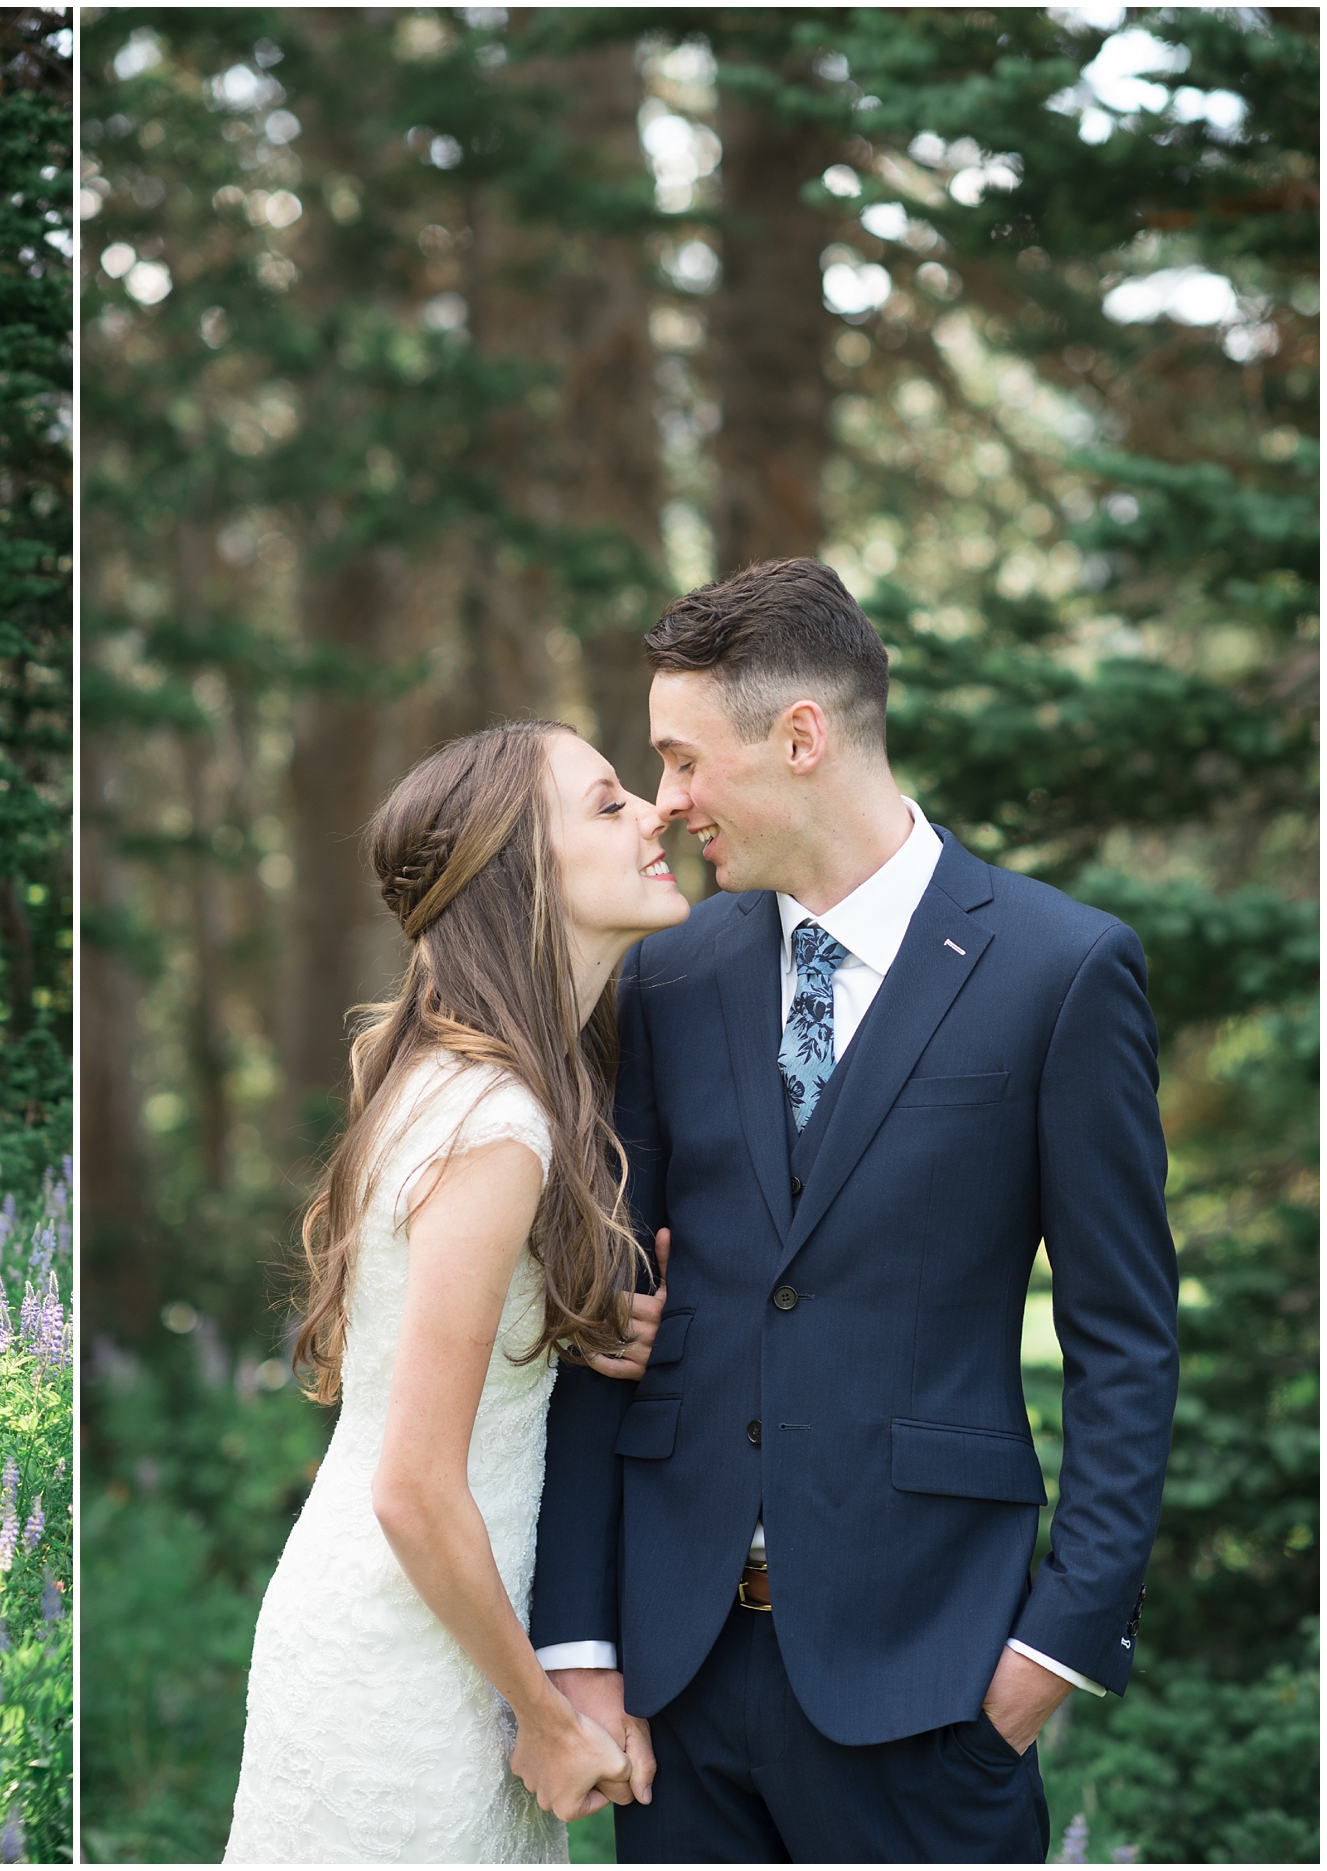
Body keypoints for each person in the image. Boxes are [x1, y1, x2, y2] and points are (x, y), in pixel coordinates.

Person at [530, 558, 1178, 1862]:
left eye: (683, 758)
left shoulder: (1060, 970)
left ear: (803, 736)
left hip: (933, 1688)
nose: (668, 803)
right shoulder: (669, 976)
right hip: (683, 1683)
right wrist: (584, 1644)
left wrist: (1051, 1650)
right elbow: (615, 1322)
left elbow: (1127, 1339)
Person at [224, 721, 693, 1862]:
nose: (655, 812)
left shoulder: (475, 1083)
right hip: (408, 1662)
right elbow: (414, 1487)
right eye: (606, 803)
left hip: (419, 1625)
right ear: (521, 876)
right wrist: (544, 1714)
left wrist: (580, 1329)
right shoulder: (497, 1121)